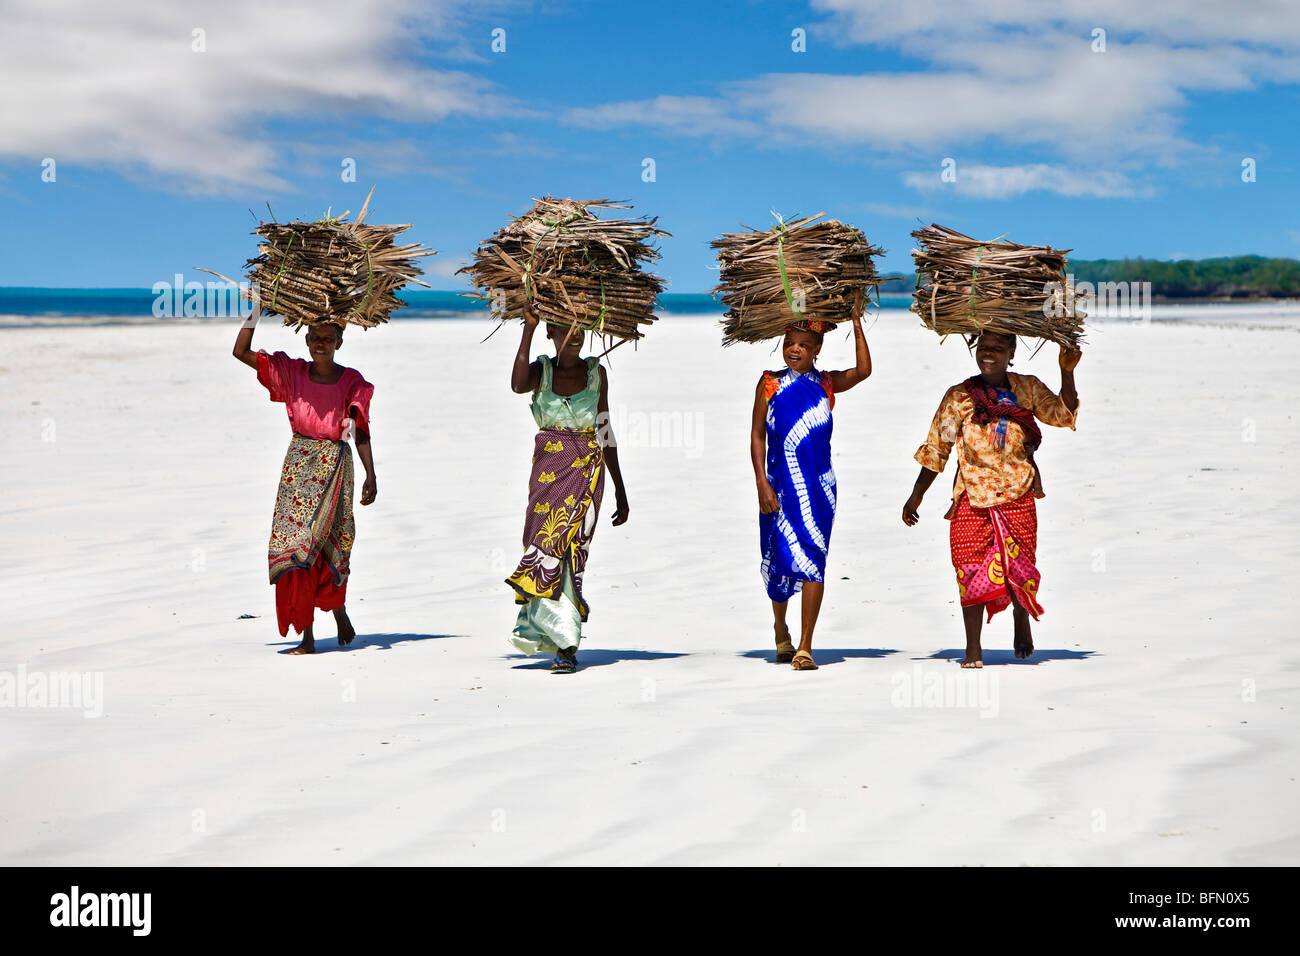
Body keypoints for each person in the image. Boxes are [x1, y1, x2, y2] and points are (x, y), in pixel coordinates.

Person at [902, 331, 1081, 667]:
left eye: (997, 349)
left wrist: (1066, 371)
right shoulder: (959, 397)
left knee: (1017, 567)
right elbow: (937, 449)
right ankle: (973, 648)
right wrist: (916, 496)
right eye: (983, 348)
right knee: (968, 570)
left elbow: (1063, 415)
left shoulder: (1027, 389)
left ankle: (1020, 616)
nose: (988, 354)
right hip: (971, 495)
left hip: (1017, 492)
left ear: (1011, 352)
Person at [233, 306, 377, 655]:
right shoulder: (292, 372)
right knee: (296, 546)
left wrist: (371, 474)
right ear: (307, 339)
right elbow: (240, 352)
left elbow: (359, 430)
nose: (321, 344)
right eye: (316, 338)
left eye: (329, 338)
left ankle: (338, 609)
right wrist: (255, 310)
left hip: (336, 466)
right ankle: (308, 636)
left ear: (340, 341)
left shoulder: (351, 381)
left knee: (331, 542)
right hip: (298, 466)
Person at [506, 303, 629, 674]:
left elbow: (605, 431)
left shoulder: (597, 374)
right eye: (565, 328)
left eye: (581, 328)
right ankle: (552, 632)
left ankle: (566, 644)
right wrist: (528, 329)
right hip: (547, 476)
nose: (574, 336)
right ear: (552, 333)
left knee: (571, 554)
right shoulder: (541, 372)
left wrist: (621, 491)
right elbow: (515, 385)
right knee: (542, 550)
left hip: (588, 475)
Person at [751, 297, 871, 670]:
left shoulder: (827, 384)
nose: (794, 350)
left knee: (814, 559)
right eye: (790, 344)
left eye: (803, 345)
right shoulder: (769, 383)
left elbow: (864, 370)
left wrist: (855, 321)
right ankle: (780, 629)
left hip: (819, 488)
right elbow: (756, 436)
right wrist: (761, 485)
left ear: (817, 349)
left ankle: (805, 645)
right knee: (779, 561)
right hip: (777, 486)